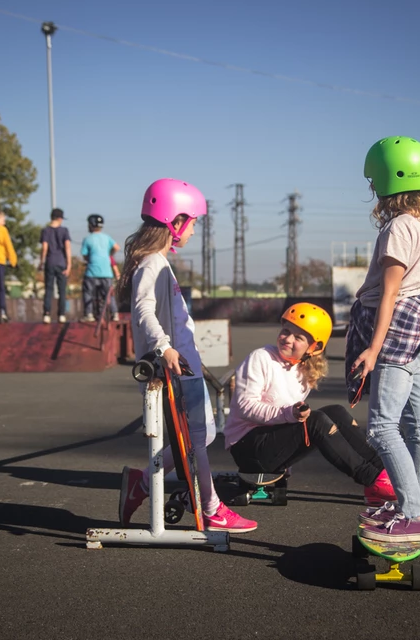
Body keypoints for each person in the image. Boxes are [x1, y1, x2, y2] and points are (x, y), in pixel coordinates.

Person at [116, 178, 257, 533]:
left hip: (185, 368)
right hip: (174, 370)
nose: (194, 230)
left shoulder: (160, 263)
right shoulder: (153, 264)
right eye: (193, 222)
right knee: (197, 439)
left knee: (202, 437)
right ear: (175, 220)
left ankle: (143, 483)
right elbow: (143, 310)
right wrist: (164, 348)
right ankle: (210, 508)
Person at [346, 136, 420, 543]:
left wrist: (373, 346)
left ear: (385, 180)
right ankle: (412, 501)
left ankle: (413, 513)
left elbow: (390, 292)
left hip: (396, 325)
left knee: (382, 427)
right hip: (419, 323)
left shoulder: (399, 227)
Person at [224, 302, 397, 506]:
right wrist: (290, 413)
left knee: (336, 412)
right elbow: (245, 407)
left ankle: (385, 474)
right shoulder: (261, 358)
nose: (288, 339)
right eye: (286, 331)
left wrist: (293, 414)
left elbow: (288, 420)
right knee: (316, 422)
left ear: (313, 348)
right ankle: (371, 480)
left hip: (272, 445)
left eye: (298, 337)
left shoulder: (303, 371)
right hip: (248, 448)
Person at [80, 214, 120, 322]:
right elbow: (116, 247)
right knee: (109, 295)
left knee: (88, 292)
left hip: (92, 273)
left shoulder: (87, 239)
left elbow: (84, 255)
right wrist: (109, 255)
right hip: (106, 273)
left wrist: (89, 259)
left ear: (91, 225)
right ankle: (115, 313)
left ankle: (89, 314)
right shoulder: (107, 238)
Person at [39, 208, 71, 324]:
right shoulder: (64, 231)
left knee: (48, 289)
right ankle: (61, 314)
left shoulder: (45, 231)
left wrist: (41, 262)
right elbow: (67, 247)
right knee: (62, 290)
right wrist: (69, 265)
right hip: (61, 263)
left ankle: (47, 314)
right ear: (59, 218)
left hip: (50, 262)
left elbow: (44, 248)